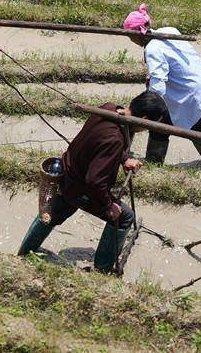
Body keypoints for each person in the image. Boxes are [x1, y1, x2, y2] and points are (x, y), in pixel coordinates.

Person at [17, 92, 169, 272]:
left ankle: (24, 252)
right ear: (143, 119)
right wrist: (108, 206)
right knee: (124, 216)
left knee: (52, 214)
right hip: (80, 186)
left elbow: (97, 143)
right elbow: (95, 182)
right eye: (149, 126)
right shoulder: (115, 139)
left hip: (67, 172)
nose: (147, 130)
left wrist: (124, 158)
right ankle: (102, 269)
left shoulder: (109, 108)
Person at [123, 4, 201, 168]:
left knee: (160, 125)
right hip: (198, 83)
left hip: (189, 91)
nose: (131, 40)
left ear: (136, 34)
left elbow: (158, 84)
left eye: (130, 36)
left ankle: (155, 164)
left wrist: (150, 104)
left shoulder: (152, 48)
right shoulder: (169, 30)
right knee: (195, 124)